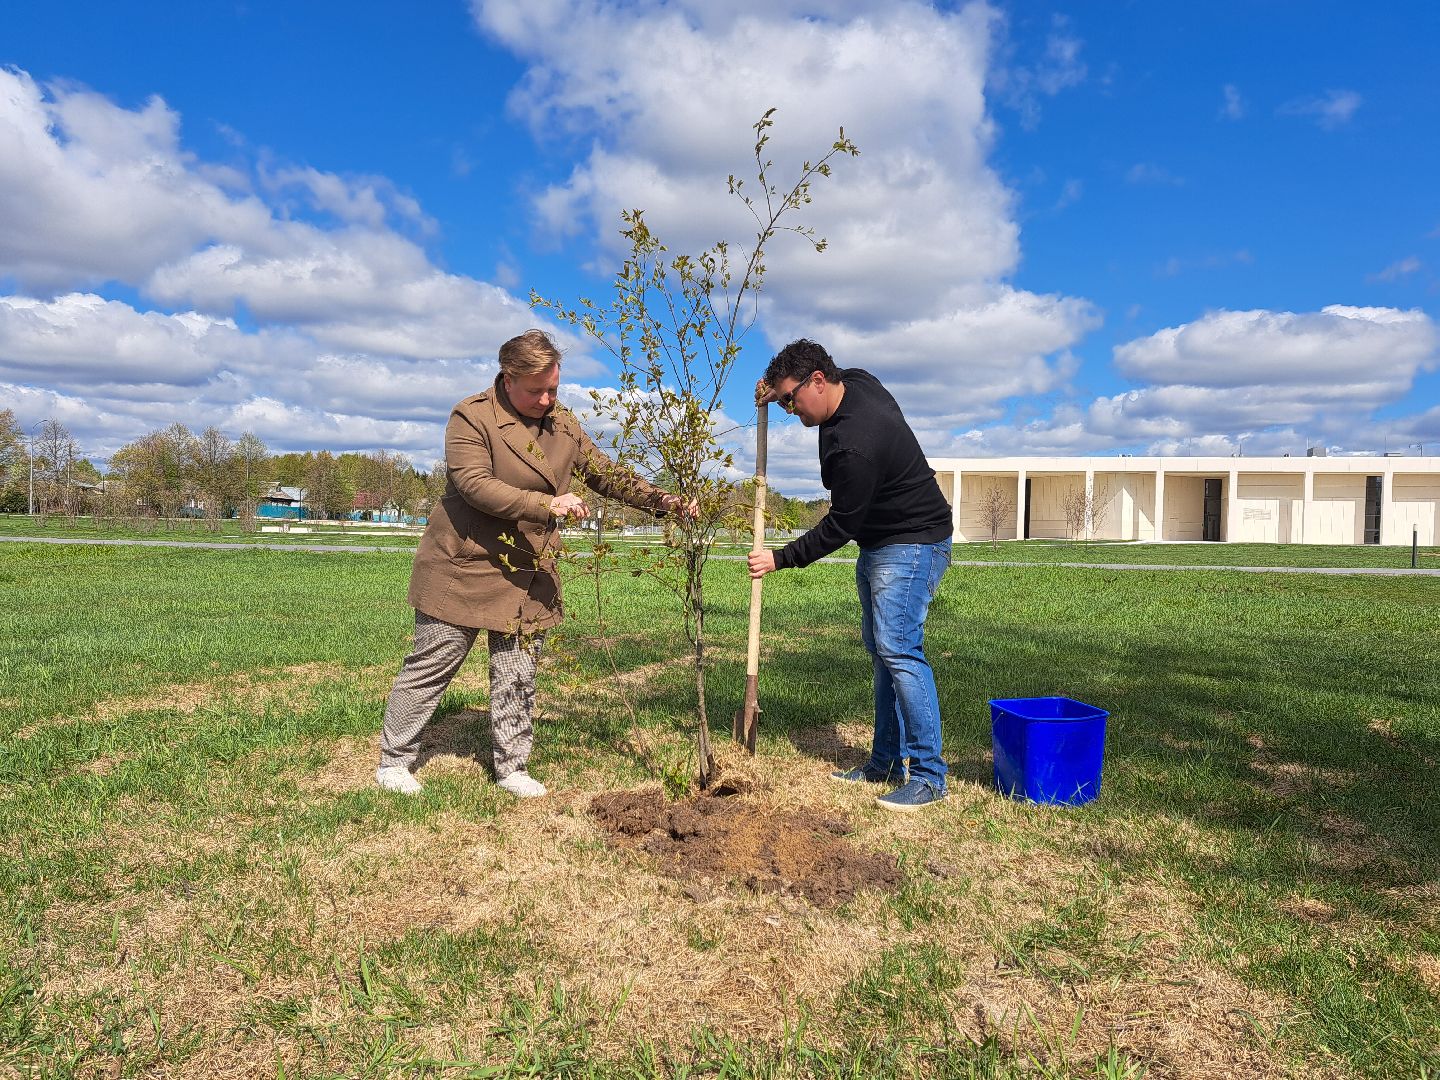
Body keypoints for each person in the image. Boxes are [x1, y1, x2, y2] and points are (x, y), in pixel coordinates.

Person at [376, 329, 693, 797]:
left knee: (518, 671)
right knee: (433, 663)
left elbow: (606, 474)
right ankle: (395, 760)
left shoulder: (563, 422)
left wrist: (663, 500)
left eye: (554, 389)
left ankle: (512, 766)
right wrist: (547, 505)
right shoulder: (472, 416)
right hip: (466, 562)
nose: (547, 399)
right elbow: (473, 484)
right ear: (508, 378)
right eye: (536, 391)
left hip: (530, 569)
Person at [747, 339, 953, 812]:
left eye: (791, 400)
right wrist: (774, 391)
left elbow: (841, 525)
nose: (789, 410)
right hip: (884, 540)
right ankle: (883, 761)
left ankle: (928, 776)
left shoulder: (856, 443)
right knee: (883, 651)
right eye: (781, 403)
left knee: (899, 649)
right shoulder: (855, 380)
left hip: (914, 542)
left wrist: (781, 558)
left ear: (818, 380)